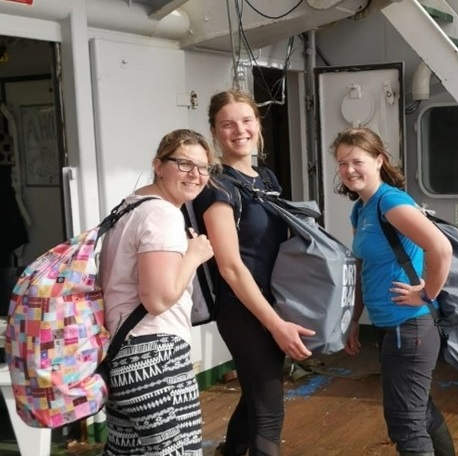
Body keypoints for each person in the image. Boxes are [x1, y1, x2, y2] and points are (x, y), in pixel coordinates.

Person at [191, 89, 315, 456]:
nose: (239, 130)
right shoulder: (217, 187)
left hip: (273, 302)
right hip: (242, 309)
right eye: (227, 124)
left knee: (257, 392)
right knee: (269, 408)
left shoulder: (266, 178)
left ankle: (231, 451)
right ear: (214, 132)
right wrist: (275, 324)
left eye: (246, 121)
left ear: (258, 126)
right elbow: (230, 266)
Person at [332, 126, 456, 456]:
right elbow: (363, 268)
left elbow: (441, 249)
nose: (348, 170)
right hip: (391, 326)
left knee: (406, 422)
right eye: (342, 163)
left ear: (379, 160)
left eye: (357, 161)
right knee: (419, 411)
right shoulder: (361, 208)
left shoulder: (390, 202)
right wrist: (355, 318)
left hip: (410, 325)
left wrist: (426, 293)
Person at [100, 128, 216, 455]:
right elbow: (158, 298)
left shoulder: (129, 206)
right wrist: (195, 255)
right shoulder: (161, 213)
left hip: (124, 355)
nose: (196, 174)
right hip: (156, 357)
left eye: (204, 167)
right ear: (158, 165)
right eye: (184, 163)